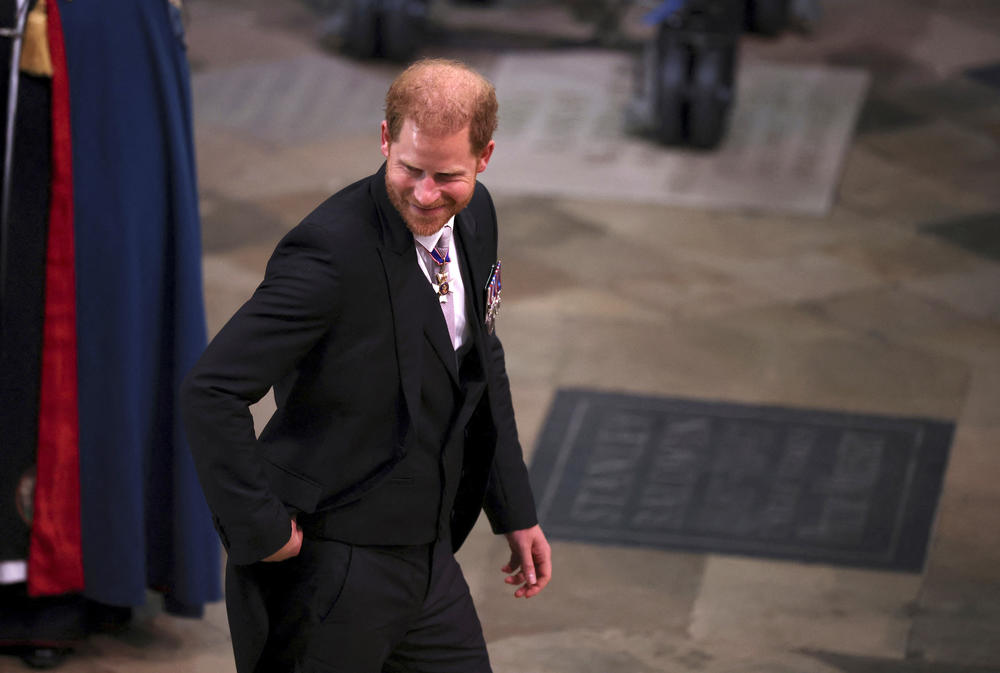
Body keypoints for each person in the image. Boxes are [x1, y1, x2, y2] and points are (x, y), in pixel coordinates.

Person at [180, 58, 552, 673]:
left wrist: (514, 507)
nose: (427, 195)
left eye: (448, 176)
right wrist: (261, 530)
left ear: (484, 158)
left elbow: (482, 363)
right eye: (409, 169)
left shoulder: (476, 215)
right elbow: (211, 389)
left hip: (430, 560)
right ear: (385, 139)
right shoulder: (328, 254)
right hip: (331, 569)